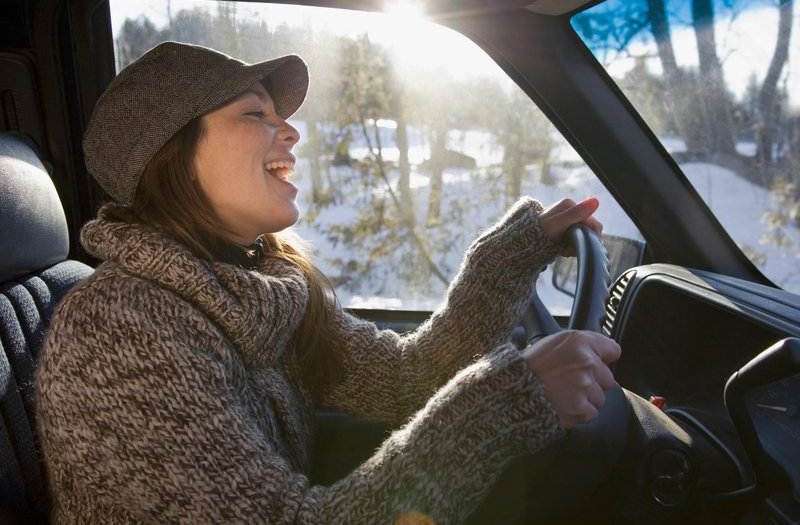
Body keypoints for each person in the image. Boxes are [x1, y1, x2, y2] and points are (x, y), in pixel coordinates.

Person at [35, 41, 620, 524]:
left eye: (280, 114)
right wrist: (508, 402)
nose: (289, 131)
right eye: (254, 114)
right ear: (171, 155)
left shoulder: (265, 289)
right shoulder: (118, 329)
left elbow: (406, 379)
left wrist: (509, 259)